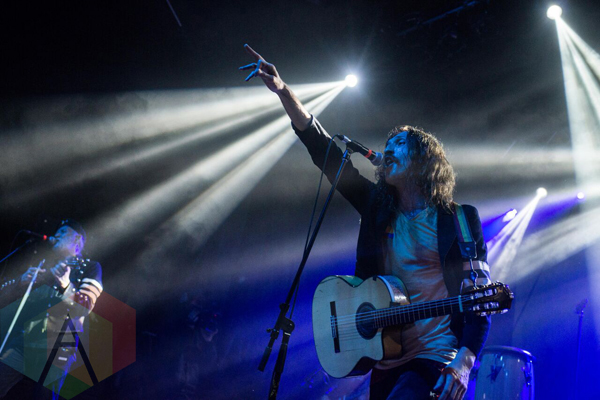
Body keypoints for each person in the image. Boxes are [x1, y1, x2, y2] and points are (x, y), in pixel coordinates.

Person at [240, 45, 492, 400]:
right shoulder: (378, 207)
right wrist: (283, 92)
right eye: (389, 143)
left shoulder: (460, 220)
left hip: (435, 357)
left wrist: (464, 362)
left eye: (400, 143)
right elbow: (325, 152)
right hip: (384, 358)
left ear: (424, 160)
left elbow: (479, 300)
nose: (389, 149)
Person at [0, 219, 103, 399]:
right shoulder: (43, 266)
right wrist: (21, 282)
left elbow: (85, 305)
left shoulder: (90, 267)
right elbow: (6, 297)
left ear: (77, 240)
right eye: (57, 231)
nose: (57, 235)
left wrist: (66, 286)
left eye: (63, 232)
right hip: (25, 339)